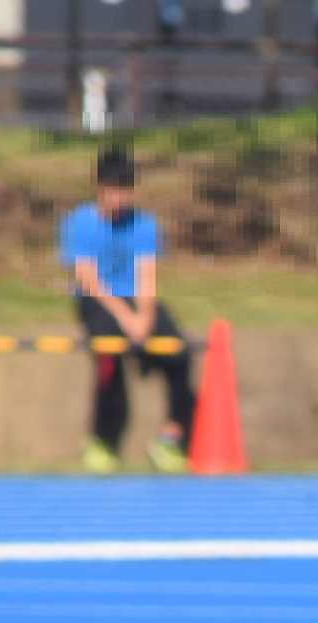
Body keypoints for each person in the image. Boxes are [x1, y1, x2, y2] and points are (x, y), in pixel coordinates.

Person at [60, 150, 197, 475]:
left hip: (136, 300)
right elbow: (86, 277)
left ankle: (172, 438)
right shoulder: (80, 222)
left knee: (179, 354)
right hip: (100, 300)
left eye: (124, 190)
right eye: (111, 190)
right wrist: (125, 316)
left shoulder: (144, 225)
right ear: (99, 188)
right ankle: (102, 442)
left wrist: (145, 317)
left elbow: (146, 277)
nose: (118, 198)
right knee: (110, 358)